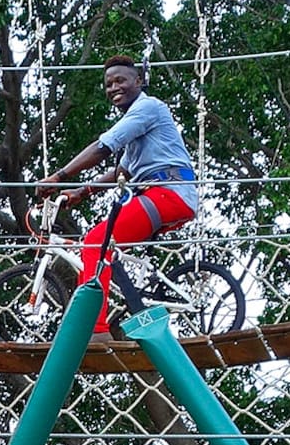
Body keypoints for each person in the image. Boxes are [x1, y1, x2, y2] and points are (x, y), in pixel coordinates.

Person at [33, 56, 198, 334]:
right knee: (103, 248)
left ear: (139, 81)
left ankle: (94, 330)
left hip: (167, 193)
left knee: (96, 242)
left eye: (120, 80)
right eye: (108, 84)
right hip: (158, 194)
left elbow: (103, 146)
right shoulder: (138, 126)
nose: (113, 88)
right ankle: (118, 308)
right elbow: (122, 172)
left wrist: (59, 177)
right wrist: (82, 192)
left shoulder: (148, 108)